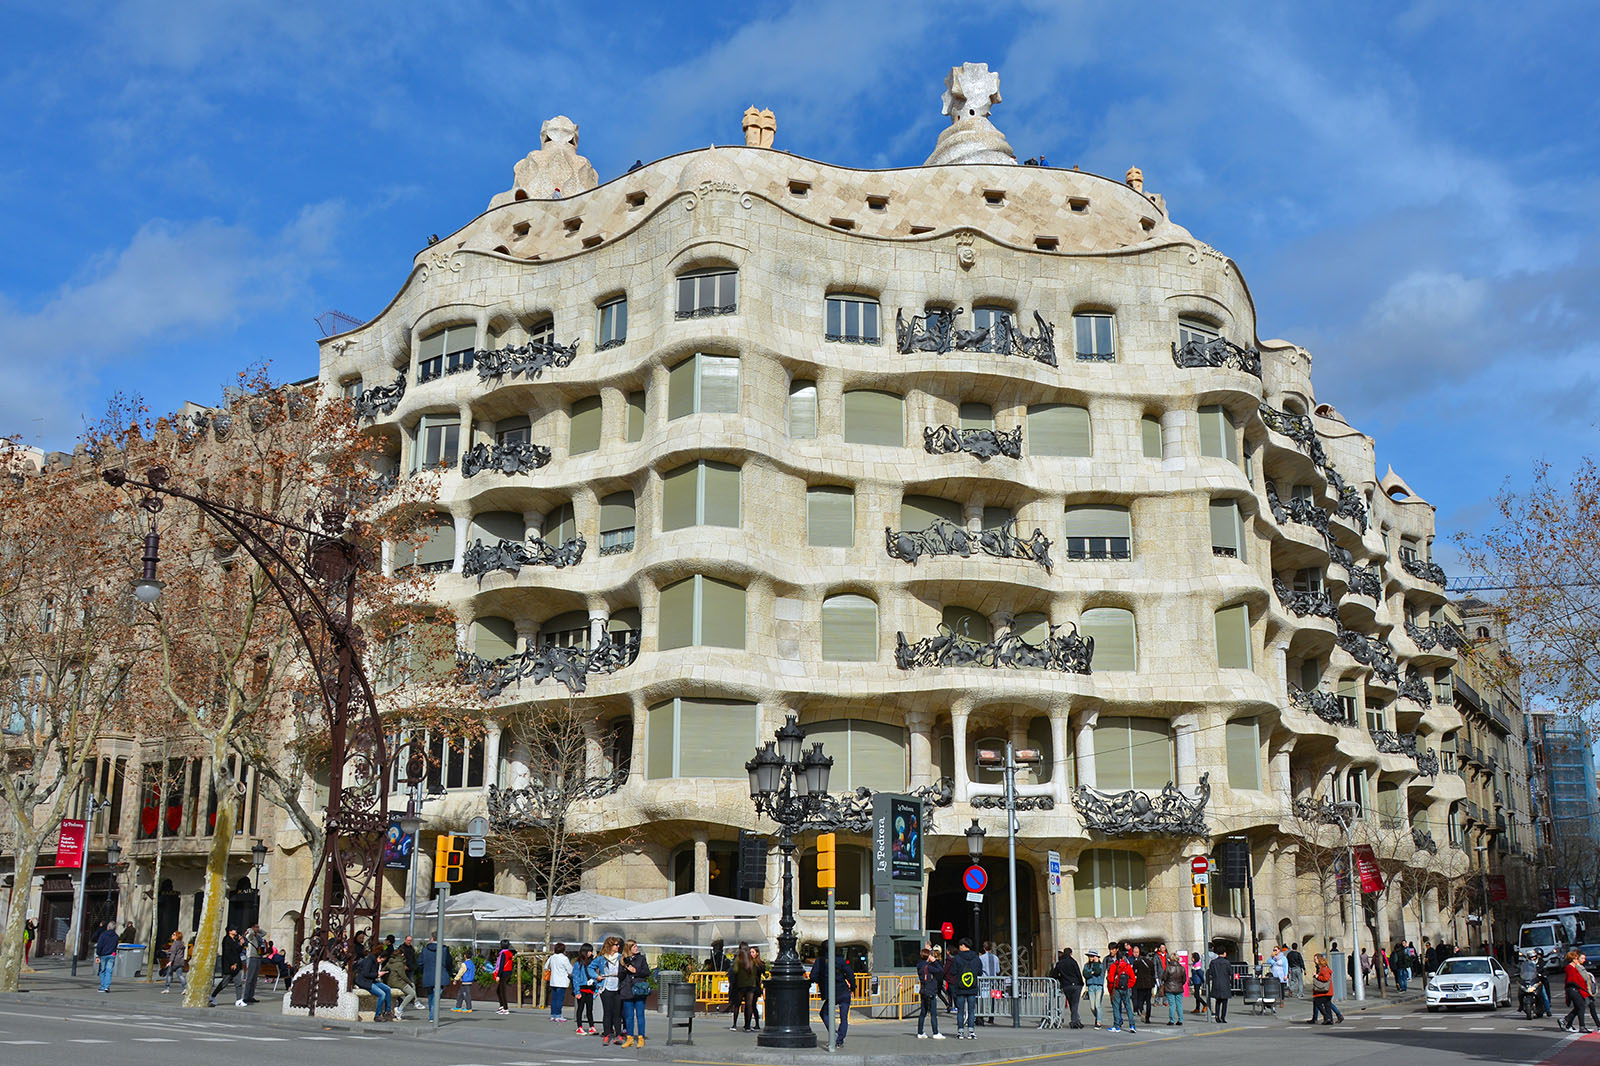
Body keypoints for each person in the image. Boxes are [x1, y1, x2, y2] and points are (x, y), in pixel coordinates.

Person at [810, 945, 855, 1047]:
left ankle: (834, 1034)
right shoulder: (840, 960)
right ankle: (839, 1040)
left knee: (824, 1013)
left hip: (831, 993)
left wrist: (822, 981)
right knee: (844, 1018)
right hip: (844, 991)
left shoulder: (820, 961)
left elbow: (813, 976)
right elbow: (850, 974)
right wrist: (852, 987)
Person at [946, 938, 982, 1040]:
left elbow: (952, 972)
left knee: (960, 1011)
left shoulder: (957, 958)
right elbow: (980, 972)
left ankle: (960, 1032)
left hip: (960, 987)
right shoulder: (976, 957)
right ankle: (971, 1032)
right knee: (971, 1010)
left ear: (963, 945)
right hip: (972, 987)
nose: (959, 947)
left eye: (960, 945)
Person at [619, 939, 652, 1046]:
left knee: (640, 1015)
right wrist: (625, 969)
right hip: (627, 989)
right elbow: (620, 976)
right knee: (628, 1016)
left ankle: (641, 1037)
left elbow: (647, 972)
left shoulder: (641, 959)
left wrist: (636, 971)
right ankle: (630, 1037)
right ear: (628, 948)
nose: (636, 948)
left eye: (636, 946)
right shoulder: (623, 960)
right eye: (634, 947)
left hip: (639, 989)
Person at [730, 943, 765, 1031]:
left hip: (741, 985)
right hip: (752, 985)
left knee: (737, 1004)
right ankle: (748, 1026)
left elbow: (735, 971)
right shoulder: (752, 960)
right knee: (749, 1005)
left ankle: (734, 1024)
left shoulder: (739, 959)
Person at [354, 947, 394, 1021]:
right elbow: (365, 973)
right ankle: (377, 1015)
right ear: (379, 956)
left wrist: (378, 974)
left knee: (387, 989)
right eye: (382, 959)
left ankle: (387, 1011)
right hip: (364, 981)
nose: (381, 961)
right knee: (382, 994)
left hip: (371, 980)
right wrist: (377, 974)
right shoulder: (369, 961)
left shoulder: (375, 962)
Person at [419, 936, 453, 1021]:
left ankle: (432, 1014)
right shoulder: (444, 949)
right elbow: (448, 963)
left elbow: (420, 963)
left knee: (431, 996)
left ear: (431, 939)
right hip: (441, 975)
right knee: (436, 996)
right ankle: (432, 1016)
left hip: (428, 975)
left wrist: (424, 971)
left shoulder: (425, 950)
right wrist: (448, 972)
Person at [916, 946, 946, 1038]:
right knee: (933, 1013)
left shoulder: (919, 965)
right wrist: (935, 961)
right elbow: (941, 970)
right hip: (930, 991)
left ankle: (920, 1032)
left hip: (923, 991)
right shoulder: (928, 967)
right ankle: (935, 1032)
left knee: (923, 1013)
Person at [597, 936, 623, 1045]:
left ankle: (618, 1035)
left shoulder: (621, 957)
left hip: (618, 986)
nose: (618, 947)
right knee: (607, 1012)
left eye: (618, 945)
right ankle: (607, 1034)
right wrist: (596, 976)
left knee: (617, 1013)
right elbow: (590, 968)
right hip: (606, 986)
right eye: (616, 945)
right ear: (610, 946)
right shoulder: (602, 958)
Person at [1106, 946, 1136, 1033]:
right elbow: (1133, 978)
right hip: (1125, 988)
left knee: (1116, 1006)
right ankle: (1132, 1025)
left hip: (1117, 988)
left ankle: (1117, 1026)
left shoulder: (1113, 966)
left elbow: (1111, 979)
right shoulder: (1127, 966)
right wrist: (1128, 985)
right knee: (1128, 1007)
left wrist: (1112, 989)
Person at [209, 928, 242, 1005]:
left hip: (236, 964)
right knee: (224, 982)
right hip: (229, 965)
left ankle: (239, 1000)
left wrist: (240, 944)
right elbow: (228, 953)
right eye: (234, 930)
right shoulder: (227, 940)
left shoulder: (234, 940)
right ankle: (212, 996)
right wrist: (232, 963)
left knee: (238, 982)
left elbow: (237, 951)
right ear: (229, 931)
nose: (236, 931)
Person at [1053, 947, 1084, 1029]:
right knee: (1075, 1004)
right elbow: (1078, 973)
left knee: (1071, 1004)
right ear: (1071, 953)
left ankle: (1077, 1021)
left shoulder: (1060, 963)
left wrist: (1061, 979)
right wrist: (1081, 983)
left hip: (1066, 985)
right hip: (1076, 984)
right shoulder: (1073, 962)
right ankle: (1074, 1022)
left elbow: (1054, 975)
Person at [1562, 950, 1591, 1034]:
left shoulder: (1574, 967)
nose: (1578, 960)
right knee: (1581, 1006)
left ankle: (1566, 1021)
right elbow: (1571, 980)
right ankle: (1581, 1026)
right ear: (1573, 959)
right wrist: (1580, 987)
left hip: (1576, 989)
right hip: (1573, 989)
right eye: (1577, 958)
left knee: (1579, 1006)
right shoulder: (1569, 968)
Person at [572, 943, 598, 1034]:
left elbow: (595, 975)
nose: (591, 953)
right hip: (582, 988)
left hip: (590, 988)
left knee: (590, 1009)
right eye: (589, 951)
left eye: (591, 951)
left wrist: (595, 988)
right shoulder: (578, 963)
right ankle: (579, 1027)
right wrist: (577, 991)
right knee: (580, 1008)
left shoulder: (592, 962)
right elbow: (575, 978)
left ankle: (592, 1026)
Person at [239, 922, 265, 1006]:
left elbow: (264, 933)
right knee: (249, 977)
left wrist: (258, 930)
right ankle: (246, 996)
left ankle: (251, 995)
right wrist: (250, 929)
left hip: (258, 956)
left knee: (254, 978)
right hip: (251, 956)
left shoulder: (258, 936)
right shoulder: (250, 936)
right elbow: (249, 934)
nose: (258, 928)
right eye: (256, 927)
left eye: (258, 927)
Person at [1207, 948, 1233, 1023]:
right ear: (1224, 953)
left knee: (1218, 1002)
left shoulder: (1213, 962)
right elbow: (1230, 972)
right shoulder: (1227, 962)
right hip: (1225, 983)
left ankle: (1217, 1016)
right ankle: (1223, 1017)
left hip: (1216, 983)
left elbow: (1211, 972)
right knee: (1225, 1002)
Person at [548, 942, 572, 1021]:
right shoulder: (564, 958)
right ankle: (558, 1015)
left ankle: (553, 1015)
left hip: (553, 980)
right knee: (559, 999)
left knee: (554, 999)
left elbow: (546, 967)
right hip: (561, 981)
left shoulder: (552, 957)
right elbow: (570, 970)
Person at [94, 919, 119, 993]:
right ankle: (107, 987)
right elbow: (115, 946)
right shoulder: (116, 936)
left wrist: (98, 953)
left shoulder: (103, 935)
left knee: (102, 970)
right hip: (112, 954)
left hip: (104, 954)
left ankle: (102, 986)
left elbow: (99, 945)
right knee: (109, 971)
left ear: (108, 927)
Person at [492, 939, 516, 1016]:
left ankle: (505, 1008)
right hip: (508, 972)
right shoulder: (509, 953)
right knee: (499, 990)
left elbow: (501, 965)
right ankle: (502, 1006)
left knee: (502, 991)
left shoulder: (503, 954)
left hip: (503, 973)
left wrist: (498, 975)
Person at [1131, 945, 1155, 1024]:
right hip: (1149, 983)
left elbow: (1133, 972)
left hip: (1140, 983)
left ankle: (1141, 1011)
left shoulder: (1137, 962)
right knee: (1148, 1001)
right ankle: (1147, 1017)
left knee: (1140, 999)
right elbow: (1153, 973)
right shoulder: (1151, 963)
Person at [978, 941, 1000, 1025]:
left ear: (984, 948)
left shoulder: (981, 958)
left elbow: (979, 969)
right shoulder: (996, 958)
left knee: (983, 998)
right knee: (992, 999)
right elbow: (998, 970)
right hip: (993, 981)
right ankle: (991, 1017)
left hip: (984, 981)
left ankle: (982, 1016)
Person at [1082, 949, 1105, 1029]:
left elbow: (1098, 972)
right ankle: (1098, 1016)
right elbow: (1085, 974)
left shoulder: (1100, 965)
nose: (1090, 957)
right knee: (1092, 1006)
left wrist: (1095, 963)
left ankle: (1099, 1021)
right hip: (1090, 986)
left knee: (1097, 1005)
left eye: (1092, 956)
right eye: (1089, 956)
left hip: (1098, 986)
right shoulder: (1086, 965)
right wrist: (1092, 972)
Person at [1162, 951, 1186, 1025]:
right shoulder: (1182, 968)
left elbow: (1164, 978)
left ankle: (1172, 1020)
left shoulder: (1168, 968)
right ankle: (1180, 1020)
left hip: (1170, 988)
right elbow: (1184, 980)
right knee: (1179, 1004)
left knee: (1171, 1004)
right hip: (1179, 988)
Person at [1309, 953, 1334, 1024]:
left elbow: (1325, 978)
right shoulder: (1325, 969)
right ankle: (1329, 1020)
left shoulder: (1323, 970)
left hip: (1325, 990)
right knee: (1327, 1005)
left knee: (1318, 1003)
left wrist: (1317, 976)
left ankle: (1327, 1017)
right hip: (1328, 991)